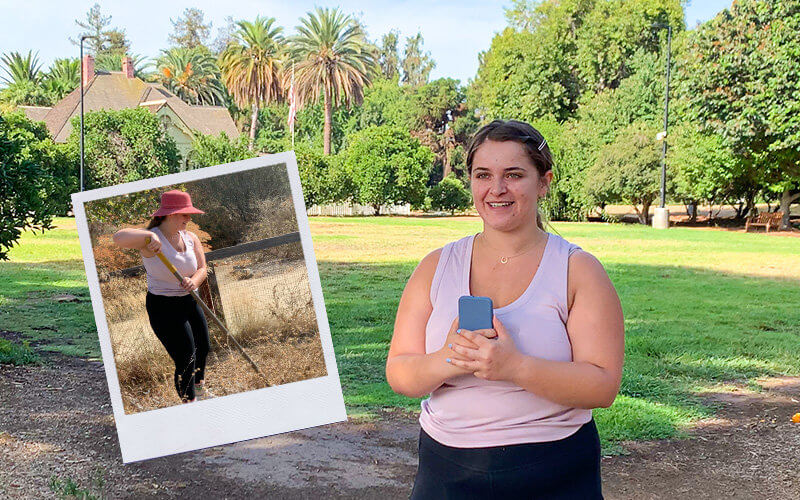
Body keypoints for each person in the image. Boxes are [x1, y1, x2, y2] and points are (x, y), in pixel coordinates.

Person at [386, 120, 625, 498]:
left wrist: (513, 367)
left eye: (513, 175)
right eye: (484, 175)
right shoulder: (436, 267)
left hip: (554, 469)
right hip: (447, 471)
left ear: (543, 182)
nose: (496, 189)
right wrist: (451, 358)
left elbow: (602, 385)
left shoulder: (577, 270)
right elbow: (400, 372)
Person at [113, 190, 211, 404]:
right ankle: (189, 403)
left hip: (189, 300)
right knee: (186, 357)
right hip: (164, 306)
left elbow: (203, 268)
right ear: (171, 214)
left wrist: (194, 281)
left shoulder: (191, 237)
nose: (189, 218)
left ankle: (199, 387)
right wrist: (150, 236)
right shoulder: (151, 242)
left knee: (203, 347)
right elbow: (118, 237)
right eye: (185, 214)